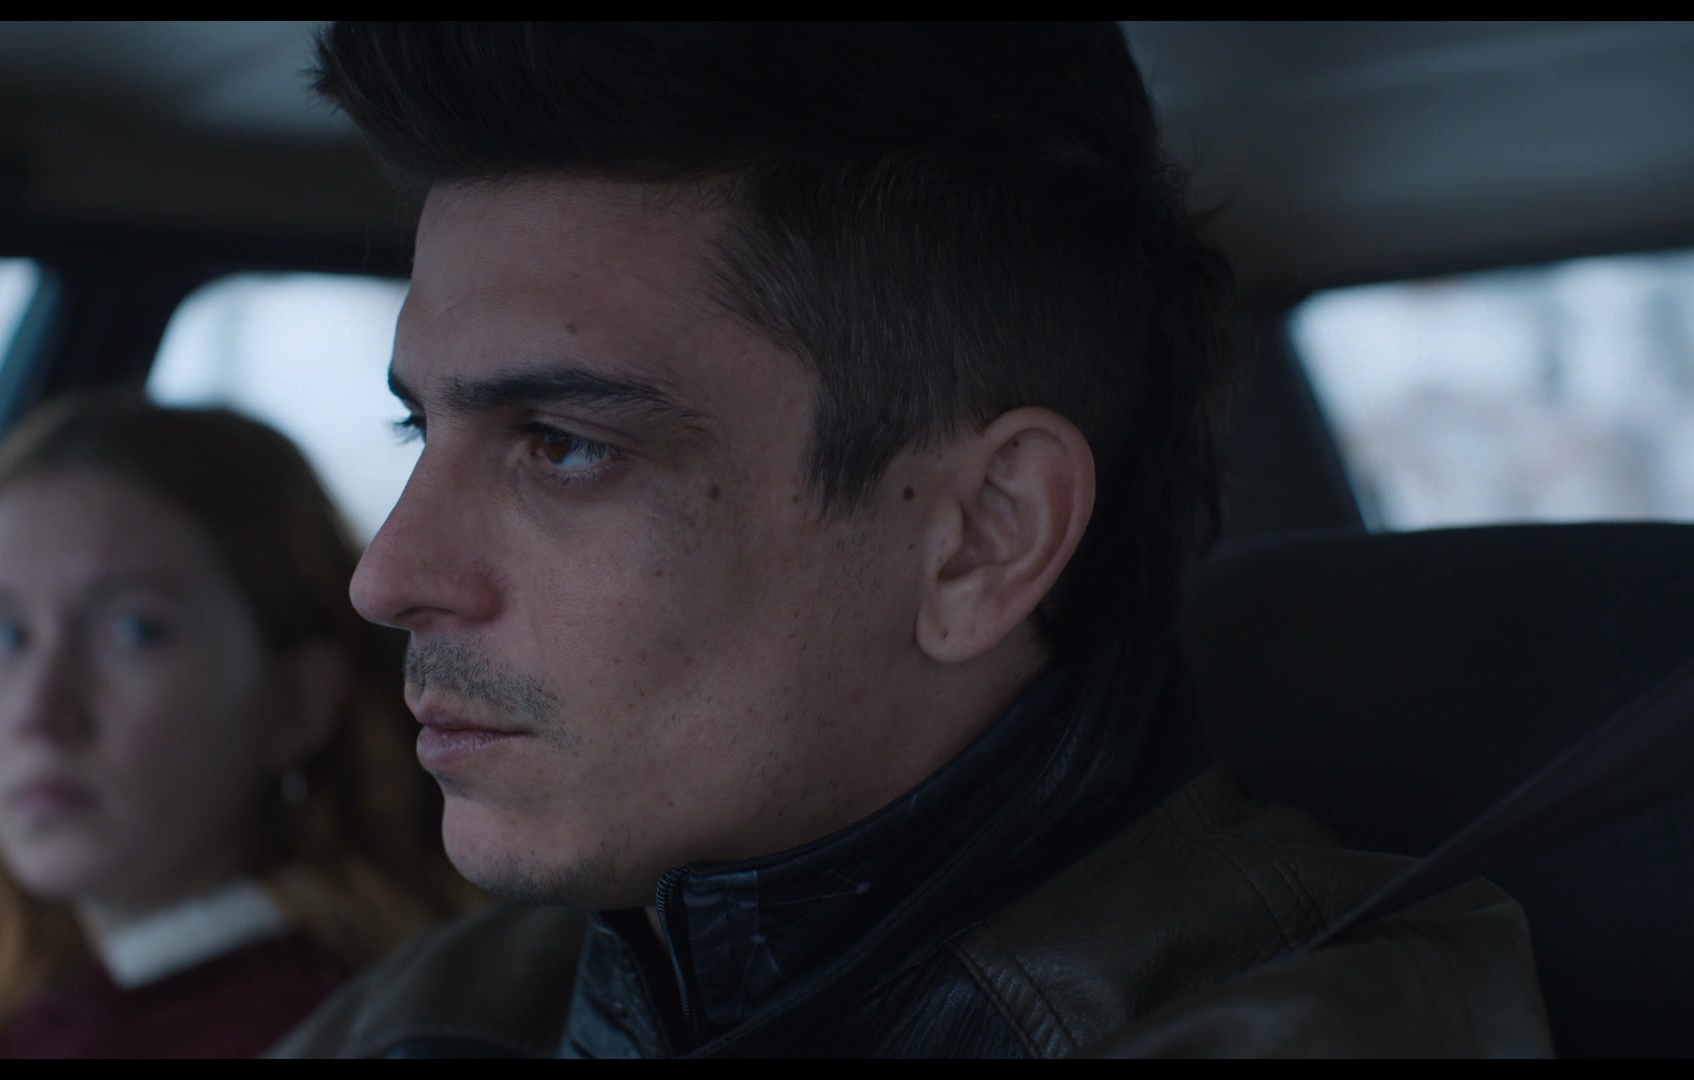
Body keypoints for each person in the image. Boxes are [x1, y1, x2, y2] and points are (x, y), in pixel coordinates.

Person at [273, 22, 1554, 1058]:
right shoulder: (452, 1008)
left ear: (979, 539)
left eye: (563, 445)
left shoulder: (1299, 1032)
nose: (387, 576)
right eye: (417, 430)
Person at [0, 391, 480, 1058]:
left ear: (297, 701)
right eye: (3, 634)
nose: (39, 711)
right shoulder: (43, 997)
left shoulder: (312, 1027)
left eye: (132, 631)